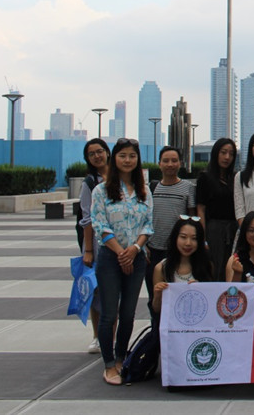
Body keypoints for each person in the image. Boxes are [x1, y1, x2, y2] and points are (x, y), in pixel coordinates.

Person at [90, 138, 153, 386]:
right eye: (122, 155)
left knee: (128, 314)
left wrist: (135, 249)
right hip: (110, 258)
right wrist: (121, 253)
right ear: (114, 158)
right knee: (109, 314)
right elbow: (100, 225)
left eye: (132, 156)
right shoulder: (101, 190)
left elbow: (148, 225)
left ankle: (120, 358)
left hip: (136, 258)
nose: (127, 160)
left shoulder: (143, 190)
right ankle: (108, 364)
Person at [145, 146, 196, 313]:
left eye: (174, 160)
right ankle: (156, 328)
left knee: (180, 296)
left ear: (180, 163)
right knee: (156, 295)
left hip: (178, 251)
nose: (170, 164)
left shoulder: (188, 187)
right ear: (159, 163)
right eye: (165, 161)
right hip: (154, 249)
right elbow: (145, 218)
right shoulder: (151, 188)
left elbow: (192, 217)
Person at [78, 137, 109, 353]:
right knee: (96, 290)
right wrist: (88, 250)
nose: (97, 156)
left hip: (120, 241)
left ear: (107, 152)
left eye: (99, 151)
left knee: (116, 292)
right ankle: (97, 336)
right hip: (96, 244)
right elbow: (86, 219)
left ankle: (112, 337)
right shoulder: (90, 183)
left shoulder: (121, 177)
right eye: (92, 154)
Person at [150, 217, 214, 315]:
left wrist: (201, 290)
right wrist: (158, 294)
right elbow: (157, 309)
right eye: (183, 237)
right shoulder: (161, 268)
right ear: (175, 238)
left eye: (194, 238)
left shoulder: (207, 266)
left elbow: (212, 303)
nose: (188, 243)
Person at [196, 138, 238, 282]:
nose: (227, 157)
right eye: (223, 152)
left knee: (232, 266)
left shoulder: (235, 178)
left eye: (231, 154)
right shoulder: (205, 178)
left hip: (233, 229)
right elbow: (201, 209)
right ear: (216, 153)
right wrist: (202, 238)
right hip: (214, 230)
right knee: (215, 267)